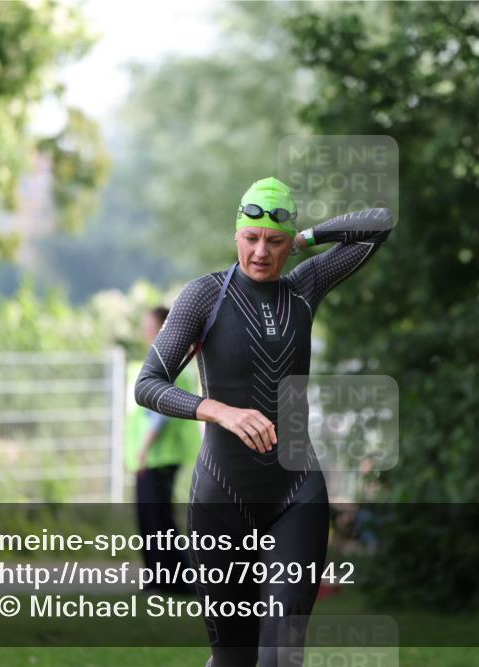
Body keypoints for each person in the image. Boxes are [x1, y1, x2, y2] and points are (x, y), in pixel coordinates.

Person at [134, 176, 393, 667]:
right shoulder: (203, 297)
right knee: (235, 659)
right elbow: (148, 382)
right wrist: (218, 411)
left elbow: (379, 225)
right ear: (236, 236)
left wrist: (306, 240)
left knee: (281, 657)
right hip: (221, 499)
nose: (260, 252)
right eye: (250, 238)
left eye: (274, 242)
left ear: (287, 244)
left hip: (296, 494)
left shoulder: (304, 287)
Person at [126, 306, 200, 593]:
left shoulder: (169, 365)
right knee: (150, 520)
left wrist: (143, 450)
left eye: (151, 326)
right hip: (148, 457)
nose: (146, 332)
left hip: (158, 456)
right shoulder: (156, 362)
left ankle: (177, 581)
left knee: (159, 522)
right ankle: (159, 578)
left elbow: (160, 414)